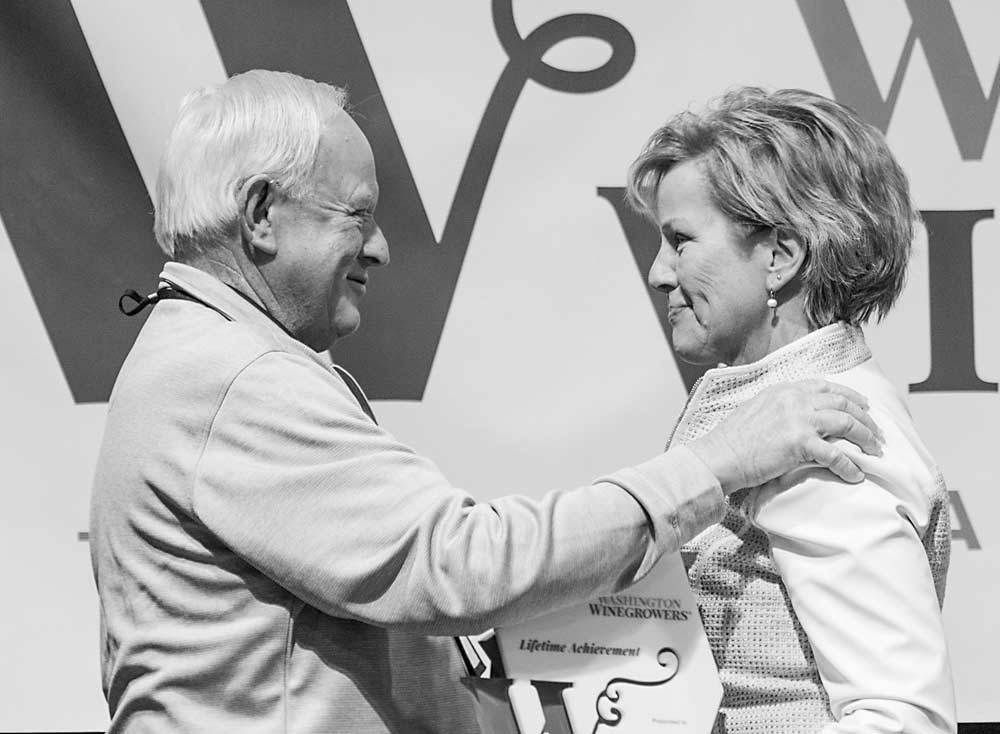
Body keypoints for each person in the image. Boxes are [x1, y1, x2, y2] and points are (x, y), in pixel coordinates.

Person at [90, 71, 882, 734]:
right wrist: (712, 463)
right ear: (262, 215)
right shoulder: (237, 378)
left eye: (681, 241)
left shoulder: (215, 360)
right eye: (357, 214)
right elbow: (458, 565)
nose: (381, 246)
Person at [626, 86, 955, 734]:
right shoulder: (791, 406)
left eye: (680, 240)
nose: (659, 273)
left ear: (780, 257)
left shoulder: (827, 437)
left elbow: (901, 722)